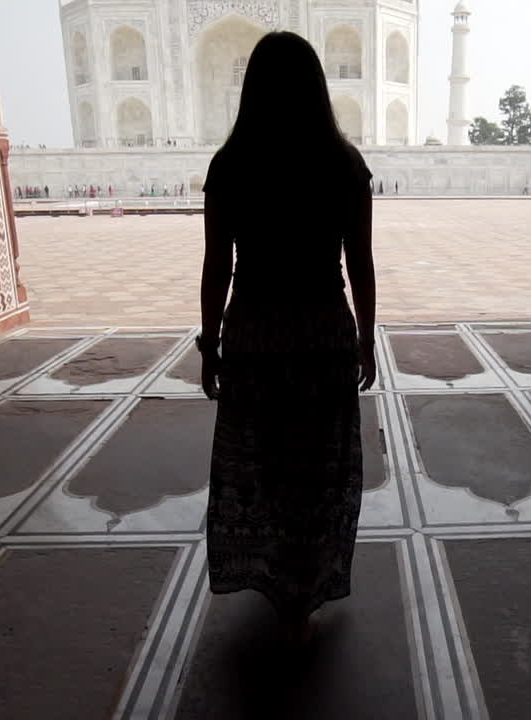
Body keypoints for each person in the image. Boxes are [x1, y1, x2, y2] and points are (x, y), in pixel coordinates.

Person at [197, 30, 375, 649]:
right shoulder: (343, 164)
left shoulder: (233, 165)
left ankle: (278, 584)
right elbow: (361, 263)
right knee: (317, 467)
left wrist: (208, 344)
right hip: (323, 330)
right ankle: (302, 588)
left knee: (269, 465)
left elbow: (217, 264)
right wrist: (368, 341)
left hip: (257, 333)